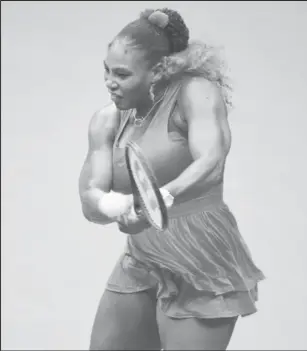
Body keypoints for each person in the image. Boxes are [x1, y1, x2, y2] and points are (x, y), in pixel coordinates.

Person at [78, 7, 265, 350]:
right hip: (142, 260)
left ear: (158, 70)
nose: (109, 82)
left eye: (122, 73)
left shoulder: (196, 92)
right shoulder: (105, 120)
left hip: (203, 262)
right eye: (107, 70)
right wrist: (116, 205)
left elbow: (212, 158)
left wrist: (162, 196)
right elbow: (90, 196)